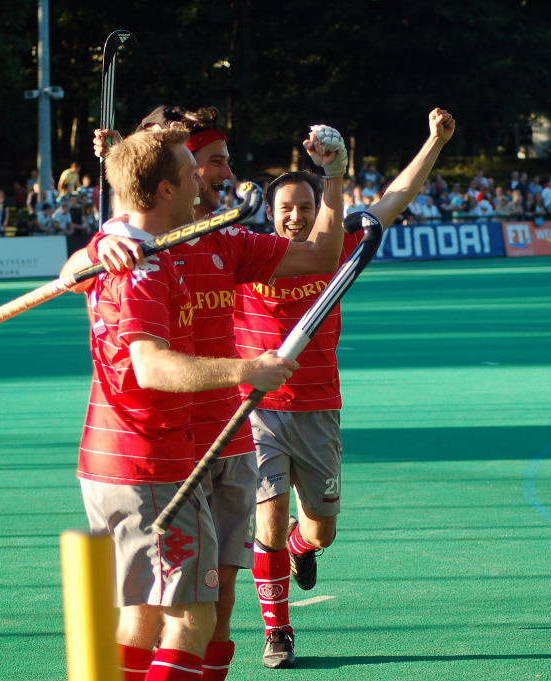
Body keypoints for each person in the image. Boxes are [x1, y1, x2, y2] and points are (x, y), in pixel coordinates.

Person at [84, 105, 347, 681]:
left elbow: (324, 255)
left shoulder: (222, 242)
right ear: (174, 183)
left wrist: (335, 175)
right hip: (154, 456)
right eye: (207, 164)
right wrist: (247, 370)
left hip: (212, 445)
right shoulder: (135, 261)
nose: (222, 174)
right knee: (177, 620)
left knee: (208, 611)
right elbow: (150, 366)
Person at [237, 108, 455, 669]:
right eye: (286, 208)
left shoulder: (339, 248)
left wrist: (433, 140)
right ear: (270, 212)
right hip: (257, 410)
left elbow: (397, 198)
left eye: (306, 208)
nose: (295, 217)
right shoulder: (243, 254)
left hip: (318, 409)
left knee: (322, 530)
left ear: (318, 211)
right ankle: (277, 632)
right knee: (264, 518)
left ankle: (300, 547)